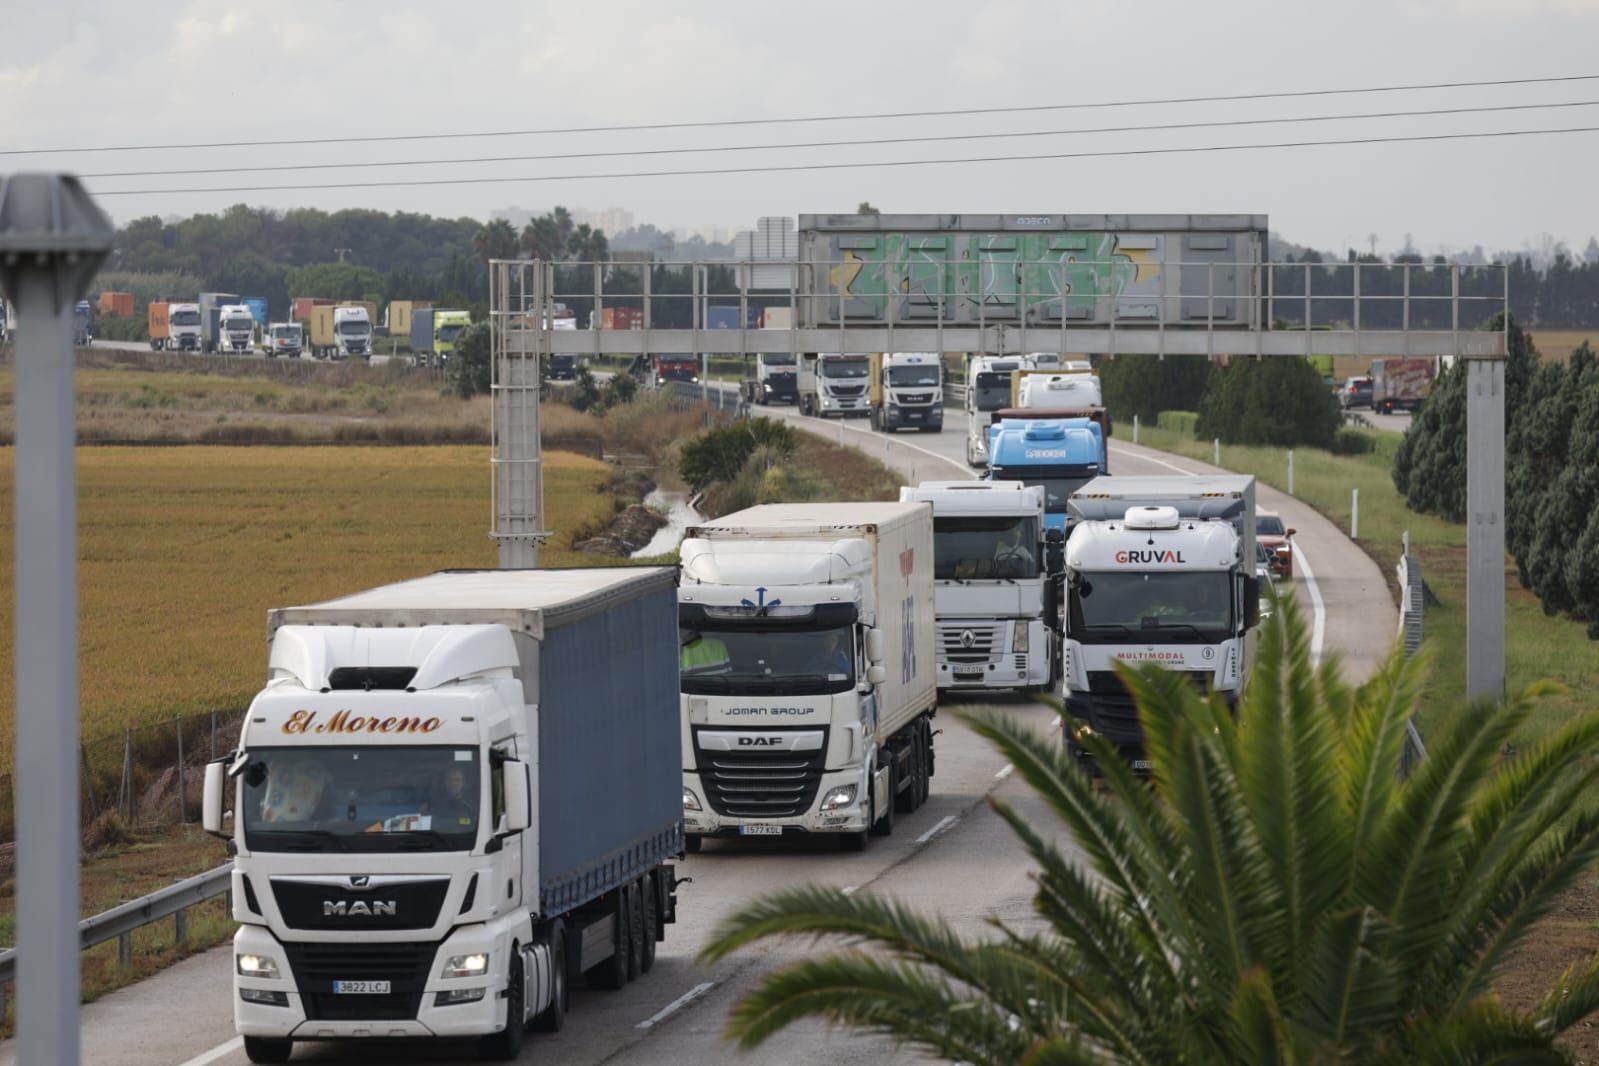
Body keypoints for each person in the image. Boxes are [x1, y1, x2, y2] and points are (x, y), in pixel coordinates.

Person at [428, 765, 477, 829]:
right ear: (445, 782)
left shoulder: (472, 806)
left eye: (457, 780)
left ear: (463, 783)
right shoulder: (436, 804)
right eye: (449, 779)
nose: (453, 783)